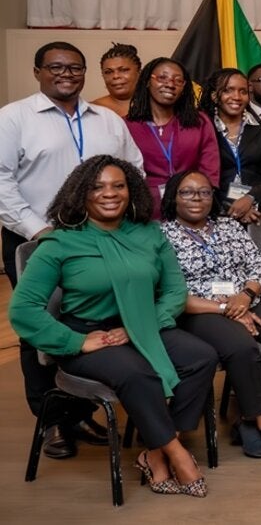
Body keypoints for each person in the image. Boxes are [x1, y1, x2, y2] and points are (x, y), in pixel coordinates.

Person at [9, 155, 217, 496]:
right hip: (90, 333)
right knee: (138, 374)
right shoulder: (60, 243)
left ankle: (156, 449)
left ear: (131, 191)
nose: (110, 193)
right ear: (81, 194)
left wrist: (143, 325)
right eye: (98, 187)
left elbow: (176, 290)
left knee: (201, 357)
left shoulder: (149, 234)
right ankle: (178, 455)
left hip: (142, 323)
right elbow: (24, 309)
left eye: (118, 185)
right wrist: (77, 342)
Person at [0, 41, 146, 460]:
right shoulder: (14, 118)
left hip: (101, 239)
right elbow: (2, 180)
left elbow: (132, 168)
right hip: (37, 239)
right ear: (37, 71)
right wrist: (39, 230)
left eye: (75, 68)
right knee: (40, 328)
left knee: (94, 320)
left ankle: (80, 411)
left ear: (85, 73)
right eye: (56, 67)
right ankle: (52, 422)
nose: (66, 74)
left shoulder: (106, 120)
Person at [159, 170, 261, 459]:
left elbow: (259, 266)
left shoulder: (229, 226)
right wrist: (225, 309)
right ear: (173, 198)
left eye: (204, 192)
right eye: (187, 192)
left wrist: (245, 297)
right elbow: (169, 293)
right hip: (198, 309)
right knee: (241, 346)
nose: (197, 198)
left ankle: (247, 416)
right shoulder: (161, 236)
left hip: (244, 298)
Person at [125, 57, 220, 214]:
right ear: (148, 81)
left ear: (184, 87)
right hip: (145, 208)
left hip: (191, 205)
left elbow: (210, 165)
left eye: (178, 81)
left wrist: (201, 197)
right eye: (162, 78)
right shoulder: (126, 125)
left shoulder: (199, 121)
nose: (170, 84)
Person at [199, 68, 261, 222]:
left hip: (259, 212)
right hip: (215, 213)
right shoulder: (203, 127)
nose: (236, 97)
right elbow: (200, 175)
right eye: (228, 90)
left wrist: (251, 199)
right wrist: (232, 207)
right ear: (214, 96)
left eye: (243, 91)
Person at [93, 43, 141, 118]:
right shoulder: (93, 109)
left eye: (123, 70)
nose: (115, 76)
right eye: (108, 72)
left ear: (139, 73)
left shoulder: (156, 106)